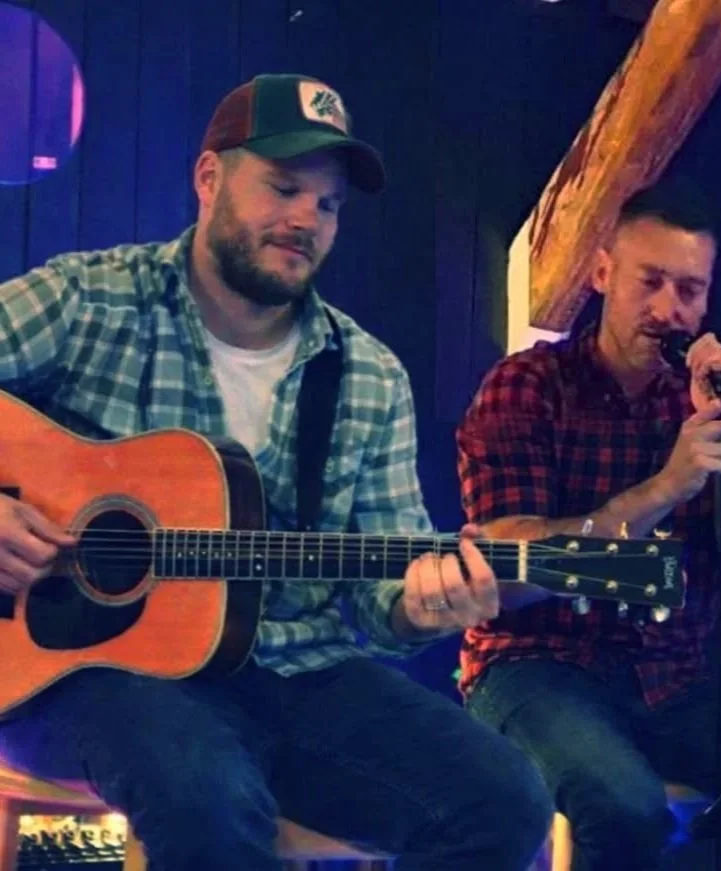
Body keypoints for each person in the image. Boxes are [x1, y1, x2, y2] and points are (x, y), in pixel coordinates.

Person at [0, 74, 553, 871]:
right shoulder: (89, 298)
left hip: (299, 672)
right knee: (206, 794)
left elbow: (380, 598)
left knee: (507, 800)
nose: (305, 220)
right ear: (208, 178)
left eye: (328, 205)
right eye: (284, 187)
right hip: (88, 668)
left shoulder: (367, 374)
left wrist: (419, 609)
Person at [456, 178, 721, 869]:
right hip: (535, 664)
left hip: (672, 672)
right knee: (625, 806)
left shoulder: (712, 399)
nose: (668, 310)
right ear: (603, 273)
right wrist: (666, 487)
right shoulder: (527, 386)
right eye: (650, 282)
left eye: (689, 290)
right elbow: (507, 572)